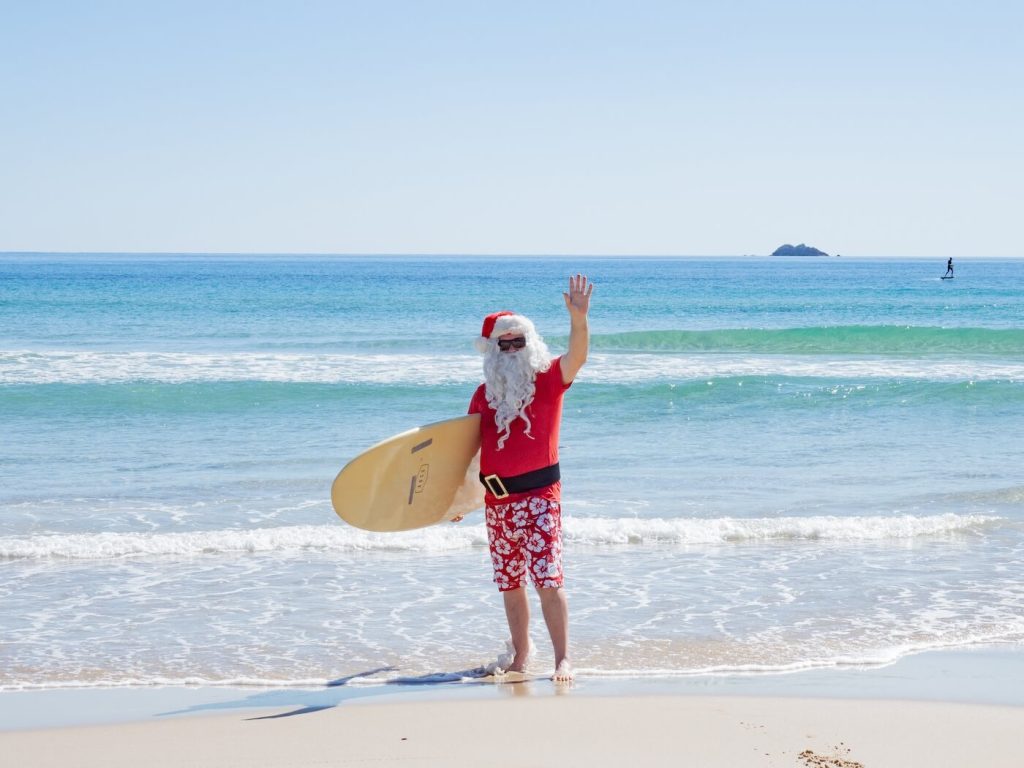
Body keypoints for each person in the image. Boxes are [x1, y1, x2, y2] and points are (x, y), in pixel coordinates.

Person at [455, 274, 593, 683]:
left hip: (540, 496)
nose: (513, 350)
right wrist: (457, 500)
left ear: (529, 343)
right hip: (497, 501)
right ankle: (521, 654)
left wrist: (579, 321)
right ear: (493, 350)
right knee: (510, 583)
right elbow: (466, 452)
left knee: (548, 579)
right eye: (505, 343)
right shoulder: (483, 395)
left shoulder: (549, 380)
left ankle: (563, 659)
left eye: (519, 342)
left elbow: (578, 357)